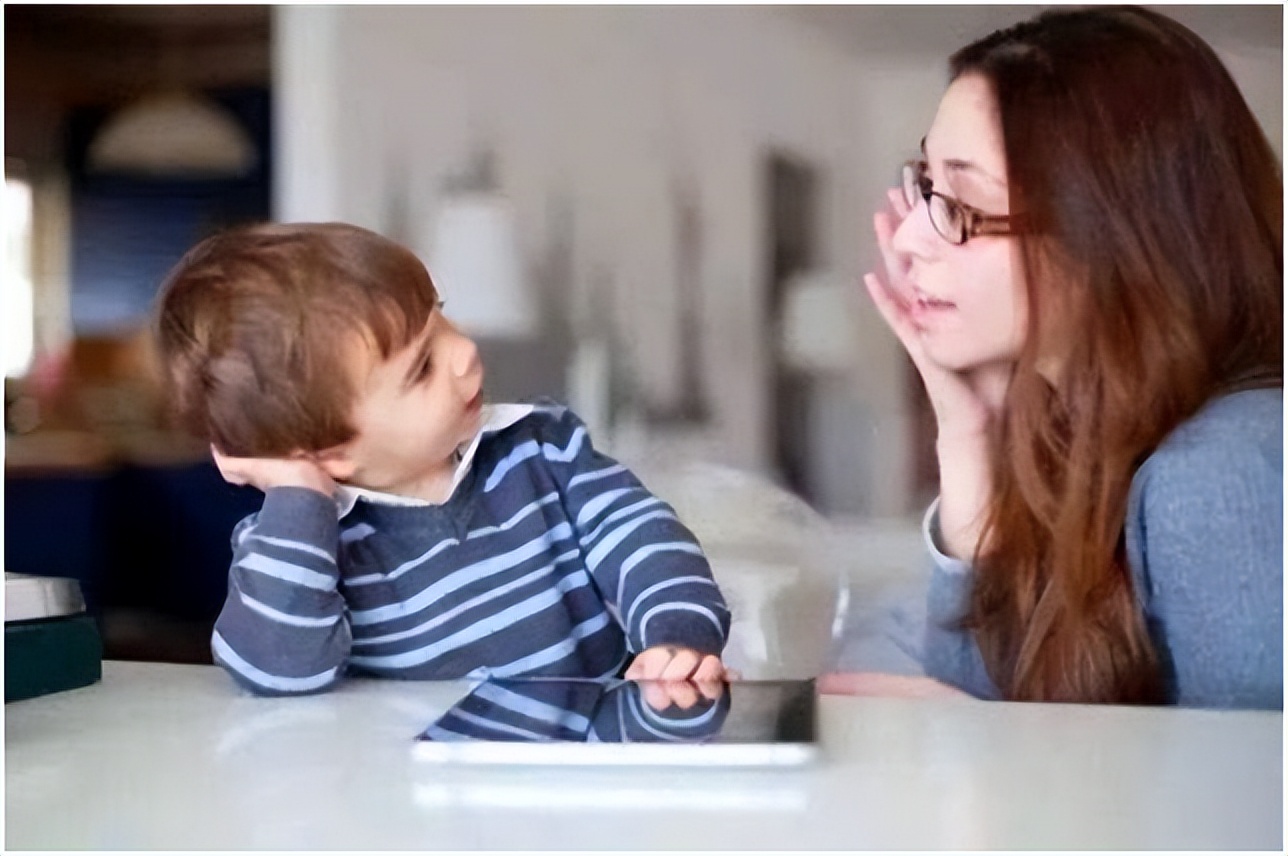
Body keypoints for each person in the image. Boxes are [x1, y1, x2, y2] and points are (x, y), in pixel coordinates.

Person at [824, 6, 1282, 708]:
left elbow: (1255, 778)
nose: (909, 238)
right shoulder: (1079, 441)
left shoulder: (1222, 467)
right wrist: (967, 429)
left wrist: (983, 735)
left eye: (960, 206)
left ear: (1106, 235)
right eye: (927, 186)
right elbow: (989, 693)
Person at [154, 222, 730, 696]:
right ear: (331, 452)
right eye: (422, 369)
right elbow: (279, 671)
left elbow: (643, 537)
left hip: (581, 759)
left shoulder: (543, 449)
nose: (463, 352)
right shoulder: (300, 547)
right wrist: (300, 495)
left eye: (441, 317)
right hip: (414, 793)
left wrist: (675, 635)